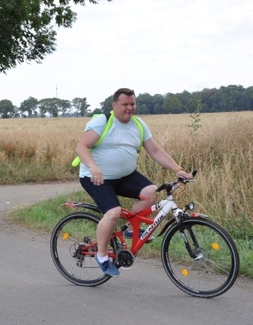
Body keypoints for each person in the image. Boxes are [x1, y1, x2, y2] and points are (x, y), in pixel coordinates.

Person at [74, 87, 193, 276]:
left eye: (132, 104)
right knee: (113, 212)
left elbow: (155, 151)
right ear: (114, 105)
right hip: (96, 177)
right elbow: (81, 147)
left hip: (125, 176)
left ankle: (130, 230)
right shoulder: (102, 122)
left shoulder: (138, 125)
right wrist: (93, 166)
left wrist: (177, 169)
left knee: (151, 192)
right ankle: (103, 256)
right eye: (125, 104)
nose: (129, 108)